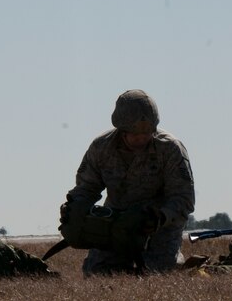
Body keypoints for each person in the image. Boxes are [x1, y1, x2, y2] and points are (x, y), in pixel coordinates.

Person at [64, 89, 195, 275]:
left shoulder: (171, 149)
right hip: (116, 224)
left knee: (156, 275)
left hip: (159, 227)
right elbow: (86, 187)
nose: (141, 138)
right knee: (97, 274)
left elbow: (183, 198)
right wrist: (75, 207)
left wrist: (160, 217)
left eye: (147, 133)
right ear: (121, 130)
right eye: (134, 134)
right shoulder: (101, 148)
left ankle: (175, 263)